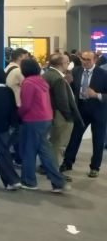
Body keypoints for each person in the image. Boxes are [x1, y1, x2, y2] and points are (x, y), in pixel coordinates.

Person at [18, 59, 67, 192]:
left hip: (33, 120)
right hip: (46, 119)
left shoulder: (28, 83)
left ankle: (29, 181)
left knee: (29, 151)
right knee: (45, 151)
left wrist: (18, 114)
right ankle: (58, 182)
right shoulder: (42, 81)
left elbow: (26, 105)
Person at [61, 51, 107, 178]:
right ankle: (67, 162)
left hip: (98, 110)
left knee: (98, 140)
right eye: (83, 59)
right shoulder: (76, 71)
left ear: (95, 60)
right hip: (81, 109)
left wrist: (97, 95)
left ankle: (95, 167)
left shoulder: (103, 74)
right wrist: (67, 82)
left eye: (88, 60)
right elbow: (71, 88)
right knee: (75, 137)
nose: (85, 62)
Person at [43, 53, 82, 181]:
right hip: (61, 116)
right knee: (58, 144)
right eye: (67, 62)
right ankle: (55, 173)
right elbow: (62, 101)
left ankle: (49, 169)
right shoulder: (58, 78)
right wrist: (69, 117)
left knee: (53, 143)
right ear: (61, 64)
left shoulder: (47, 74)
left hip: (51, 114)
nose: (68, 64)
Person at [4, 48, 28, 166]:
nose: (27, 59)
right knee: (19, 132)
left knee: (15, 131)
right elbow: (27, 85)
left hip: (9, 104)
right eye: (26, 57)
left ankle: (14, 155)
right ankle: (17, 157)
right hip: (17, 105)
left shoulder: (7, 68)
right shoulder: (18, 71)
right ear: (20, 57)